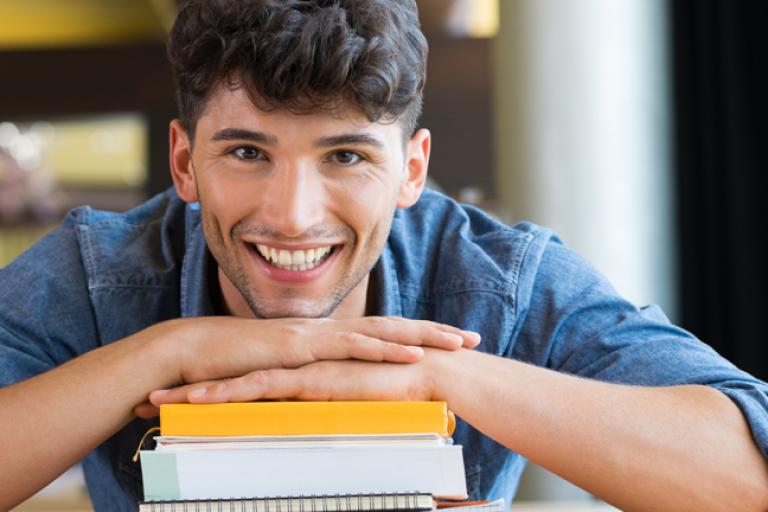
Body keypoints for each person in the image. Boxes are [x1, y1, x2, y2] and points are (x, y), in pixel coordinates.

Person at [1, 1, 767, 510]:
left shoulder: (494, 278)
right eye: (244, 151)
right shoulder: (98, 272)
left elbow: (748, 475)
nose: (292, 217)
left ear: (411, 169)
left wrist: (438, 374)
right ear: (182, 161)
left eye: (345, 156)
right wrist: (170, 348)